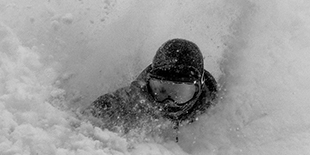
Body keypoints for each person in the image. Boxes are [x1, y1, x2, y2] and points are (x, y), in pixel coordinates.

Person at [86, 38, 218, 136]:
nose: (169, 103)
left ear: (198, 89)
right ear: (149, 84)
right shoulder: (140, 96)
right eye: (161, 90)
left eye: (180, 93)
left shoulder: (210, 102)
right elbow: (112, 104)